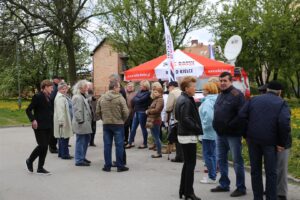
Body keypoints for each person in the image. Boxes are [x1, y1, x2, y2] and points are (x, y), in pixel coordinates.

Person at [239, 81, 291, 200]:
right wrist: (281, 143)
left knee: (255, 171)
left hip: (253, 141)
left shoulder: (253, 100)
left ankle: (257, 197)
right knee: (271, 172)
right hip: (270, 142)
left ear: (267, 89)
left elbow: (241, 116)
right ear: (280, 92)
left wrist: (246, 134)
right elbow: (283, 123)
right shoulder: (281, 103)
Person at [211, 72, 246, 197]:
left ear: (230, 81)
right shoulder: (221, 94)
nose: (222, 83)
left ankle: (241, 187)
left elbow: (242, 115)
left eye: (225, 81)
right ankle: (224, 184)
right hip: (220, 134)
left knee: (237, 161)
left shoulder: (237, 95)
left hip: (233, 135)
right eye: (221, 81)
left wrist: (230, 125)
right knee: (221, 160)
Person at [175, 76, 202, 200]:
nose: (195, 88)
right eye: (193, 86)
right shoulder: (186, 100)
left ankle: (183, 190)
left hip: (184, 134)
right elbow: (185, 118)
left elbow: (179, 116)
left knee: (187, 164)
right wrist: (196, 127)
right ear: (187, 88)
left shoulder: (183, 98)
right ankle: (189, 192)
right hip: (188, 135)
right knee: (190, 164)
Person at [96, 80, 129, 172]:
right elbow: (126, 112)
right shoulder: (120, 98)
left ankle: (107, 166)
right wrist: (122, 120)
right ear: (114, 87)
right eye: (119, 87)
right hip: (118, 124)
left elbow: (97, 111)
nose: (120, 89)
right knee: (119, 145)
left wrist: (104, 119)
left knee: (107, 145)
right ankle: (120, 166)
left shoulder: (102, 97)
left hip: (106, 124)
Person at [25, 80, 54, 175]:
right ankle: (30, 160)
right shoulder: (38, 96)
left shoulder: (48, 97)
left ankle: (40, 168)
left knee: (45, 147)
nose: (52, 89)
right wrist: (33, 120)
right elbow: (28, 110)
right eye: (51, 87)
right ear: (45, 87)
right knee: (43, 145)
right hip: (39, 126)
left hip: (48, 125)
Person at [199, 82, 218, 184]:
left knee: (208, 155)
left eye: (204, 89)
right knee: (213, 155)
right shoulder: (215, 99)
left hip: (207, 132)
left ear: (208, 90)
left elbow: (209, 117)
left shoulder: (208, 101)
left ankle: (211, 176)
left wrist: (202, 127)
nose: (202, 91)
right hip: (214, 132)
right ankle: (213, 175)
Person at [72, 80, 93, 167]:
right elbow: (77, 110)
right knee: (80, 141)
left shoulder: (82, 96)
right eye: (85, 87)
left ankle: (82, 157)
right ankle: (79, 160)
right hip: (81, 123)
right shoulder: (77, 97)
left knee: (85, 141)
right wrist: (80, 120)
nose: (87, 88)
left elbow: (87, 100)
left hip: (85, 123)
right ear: (80, 88)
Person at [126, 80, 151, 149]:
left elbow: (139, 100)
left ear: (145, 86)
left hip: (142, 112)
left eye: (141, 85)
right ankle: (130, 142)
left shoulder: (148, 93)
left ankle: (145, 143)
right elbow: (134, 100)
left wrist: (138, 99)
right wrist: (138, 99)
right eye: (140, 85)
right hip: (136, 111)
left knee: (143, 128)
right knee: (133, 128)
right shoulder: (139, 92)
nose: (140, 86)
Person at [53, 82, 73, 159]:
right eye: (62, 89)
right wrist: (61, 121)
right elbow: (60, 110)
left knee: (62, 137)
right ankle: (65, 154)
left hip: (63, 120)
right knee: (64, 137)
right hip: (63, 121)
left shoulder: (62, 96)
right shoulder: (60, 98)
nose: (64, 90)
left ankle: (61, 153)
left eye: (65, 89)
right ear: (59, 89)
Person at [165, 81, 183, 162]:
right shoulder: (182, 92)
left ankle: (179, 157)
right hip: (185, 118)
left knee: (177, 138)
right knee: (183, 138)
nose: (168, 89)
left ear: (171, 86)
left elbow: (168, 108)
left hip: (177, 118)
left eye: (168, 87)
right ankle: (183, 156)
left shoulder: (172, 93)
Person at [146, 87, 164, 158]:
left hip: (155, 120)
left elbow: (157, 110)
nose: (154, 93)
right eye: (154, 92)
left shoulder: (160, 100)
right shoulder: (156, 99)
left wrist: (148, 111)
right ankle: (159, 152)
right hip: (152, 119)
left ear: (160, 93)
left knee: (156, 137)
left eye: (156, 92)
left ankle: (159, 152)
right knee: (155, 136)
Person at [49, 75, 61, 153]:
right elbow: (52, 99)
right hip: (53, 111)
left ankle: (52, 146)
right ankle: (52, 147)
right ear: (55, 79)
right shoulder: (54, 87)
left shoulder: (55, 86)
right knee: (53, 130)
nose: (59, 80)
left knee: (53, 130)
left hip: (53, 110)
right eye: (58, 79)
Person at [87, 82, 98, 147]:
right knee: (89, 129)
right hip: (89, 114)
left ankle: (92, 141)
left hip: (94, 114)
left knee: (94, 128)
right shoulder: (85, 94)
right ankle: (88, 141)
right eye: (89, 86)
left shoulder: (92, 93)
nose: (91, 87)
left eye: (91, 86)